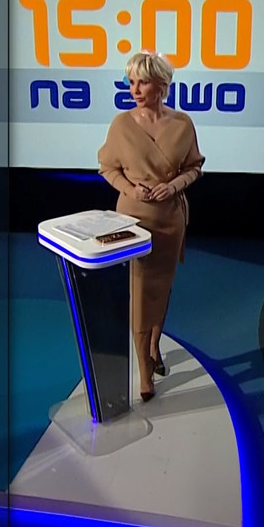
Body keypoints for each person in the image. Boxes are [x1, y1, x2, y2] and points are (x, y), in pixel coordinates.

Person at [97, 51, 205, 402]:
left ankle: (155, 346)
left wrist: (173, 186)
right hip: (135, 220)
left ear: (161, 84)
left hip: (171, 219)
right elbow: (108, 168)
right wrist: (131, 189)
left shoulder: (183, 124)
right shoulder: (121, 125)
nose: (135, 89)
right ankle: (144, 373)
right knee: (142, 294)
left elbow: (194, 167)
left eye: (142, 82)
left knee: (163, 286)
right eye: (131, 82)